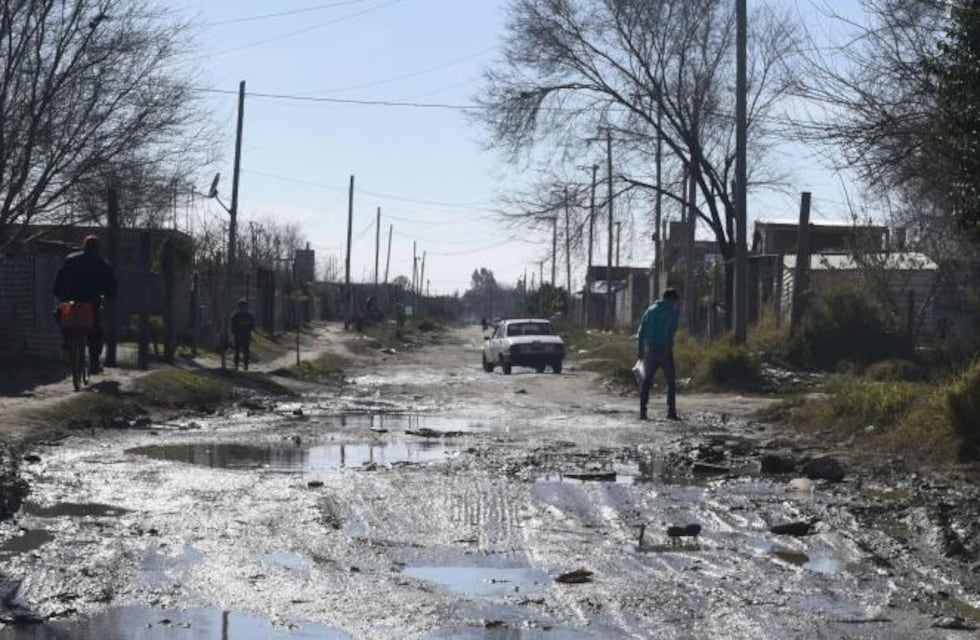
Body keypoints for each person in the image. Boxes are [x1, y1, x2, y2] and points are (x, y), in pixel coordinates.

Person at [52, 235, 117, 374]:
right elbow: (110, 285)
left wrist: (57, 292)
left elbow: (59, 277)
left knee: (60, 316)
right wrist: (110, 296)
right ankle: (94, 362)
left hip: (69, 300)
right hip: (91, 302)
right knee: (95, 330)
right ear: (98, 248)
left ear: (84, 245)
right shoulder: (102, 263)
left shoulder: (70, 259)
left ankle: (67, 340)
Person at [636, 287, 681, 421]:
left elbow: (641, 331)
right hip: (665, 351)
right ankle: (671, 412)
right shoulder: (672, 312)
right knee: (671, 382)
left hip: (650, 351)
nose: (675, 303)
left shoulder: (650, 310)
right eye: (675, 301)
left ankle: (643, 412)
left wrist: (640, 349)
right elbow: (670, 331)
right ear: (672, 299)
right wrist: (668, 346)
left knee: (646, 381)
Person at [230, 298, 255, 371]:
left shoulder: (249, 315)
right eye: (242, 307)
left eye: (245, 307)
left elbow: (252, 325)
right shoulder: (236, 315)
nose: (244, 308)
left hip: (246, 335)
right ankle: (236, 365)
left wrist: (250, 330)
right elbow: (233, 326)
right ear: (239, 307)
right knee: (237, 350)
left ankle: (246, 365)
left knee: (246, 351)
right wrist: (234, 333)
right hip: (238, 335)